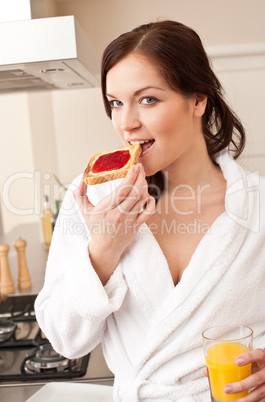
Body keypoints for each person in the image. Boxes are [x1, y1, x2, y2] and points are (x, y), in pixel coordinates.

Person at [35, 20, 265, 401]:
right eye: (115, 103)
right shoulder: (95, 205)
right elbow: (64, 340)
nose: (126, 124)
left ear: (198, 100)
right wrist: (102, 252)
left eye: (148, 100)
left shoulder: (257, 207)